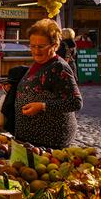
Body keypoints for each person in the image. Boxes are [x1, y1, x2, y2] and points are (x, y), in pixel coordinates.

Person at [14, 19, 83, 149]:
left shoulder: (59, 67)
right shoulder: (39, 62)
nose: (35, 51)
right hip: (30, 138)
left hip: (49, 141)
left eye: (40, 46)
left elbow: (76, 102)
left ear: (54, 45)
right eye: (32, 46)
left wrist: (42, 106)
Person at [0, 65, 29, 135]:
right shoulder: (25, 89)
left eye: (10, 84)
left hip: (15, 125)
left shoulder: (15, 91)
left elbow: (6, 108)